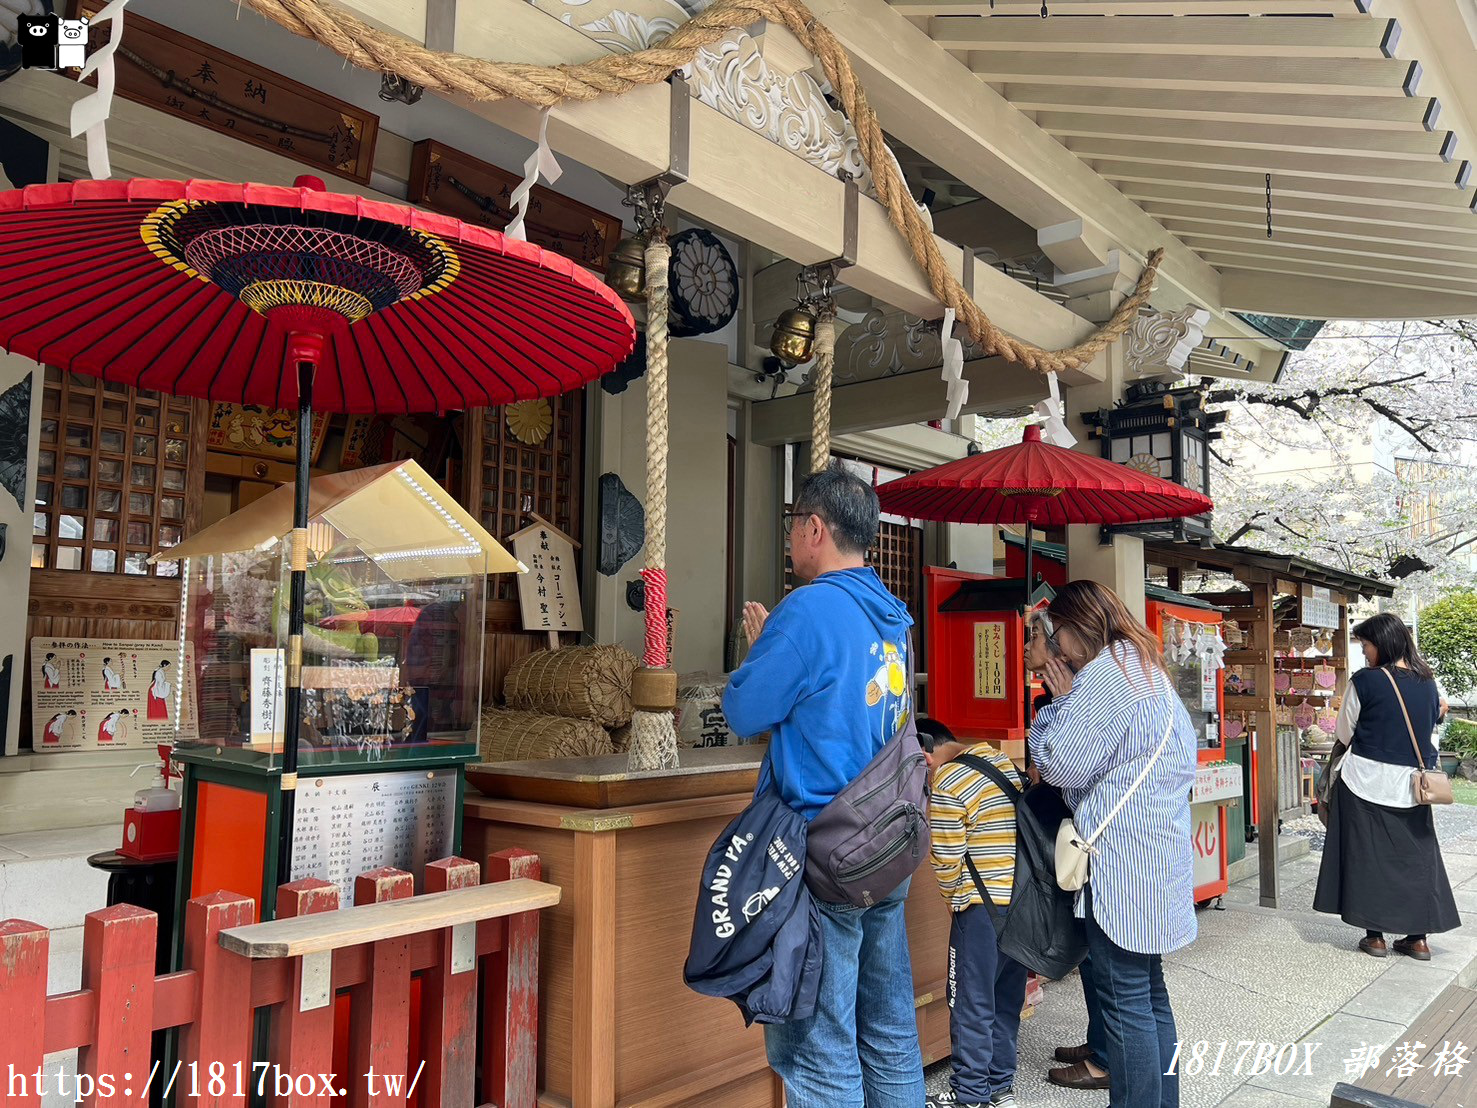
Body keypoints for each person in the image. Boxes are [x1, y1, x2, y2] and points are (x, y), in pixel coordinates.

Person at [723, 462, 924, 1108]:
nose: (789, 542)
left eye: (792, 528)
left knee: (818, 1044)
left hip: (823, 854)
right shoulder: (892, 615)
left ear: (814, 528)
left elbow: (744, 711)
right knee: (889, 1029)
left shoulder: (805, 612)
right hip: (887, 846)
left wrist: (760, 649)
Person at [1026, 581, 1198, 1108]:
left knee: (1124, 1001)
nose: (1053, 647)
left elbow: (1058, 764)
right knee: (1149, 995)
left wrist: (1055, 704)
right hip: (1157, 854)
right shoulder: (1143, 667)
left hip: (1122, 863)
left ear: (1078, 630)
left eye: (1055, 633)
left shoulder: (1106, 675)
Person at [1314, 612, 1459, 958]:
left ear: (1383, 643)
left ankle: (1375, 936)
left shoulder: (1365, 681)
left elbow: (1345, 733)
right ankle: (1418, 938)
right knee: (1417, 857)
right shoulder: (1428, 683)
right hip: (1411, 785)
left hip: (1363, 780)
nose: (1364, 652)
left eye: (1366, 645)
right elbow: (1430, 734)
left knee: (1366, 856)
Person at [919, 717, 1027, 1108]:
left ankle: (969, 1095)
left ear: (926, 753)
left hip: (980, 909)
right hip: (1020, 903)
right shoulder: (997, 761)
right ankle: (999, 1086)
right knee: (1005, 996)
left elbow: (947, 860)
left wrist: (953, 903)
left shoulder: (948, 783)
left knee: (969, 1002)